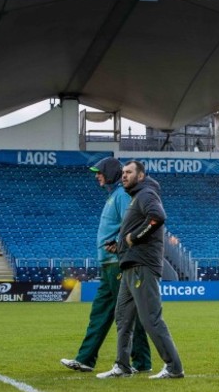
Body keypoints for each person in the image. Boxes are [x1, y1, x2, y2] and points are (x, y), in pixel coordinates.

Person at [60, 157, 151, 373]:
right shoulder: (115, 195)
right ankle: (86, 359)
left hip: (117, 264)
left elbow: (134, 224)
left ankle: (141, 362)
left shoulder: (121, 196)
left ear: (110, 172)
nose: (96, 175)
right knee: (101, 313)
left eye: (99, 171)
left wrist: (121, 246)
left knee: (127, 314)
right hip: (109, 266)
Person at [96, 160, 184, 379]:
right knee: (123, 317)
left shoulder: (146, 195)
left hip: (141, 265)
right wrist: (120, 246)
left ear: (141, 176)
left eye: (129, 172)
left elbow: (158, 218)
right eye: (123, 172)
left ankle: (174, 368)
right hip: (130, 265)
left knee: (150, 318)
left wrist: (133, 238)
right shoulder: (137, 196)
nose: (124, 175)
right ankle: (122, 366)